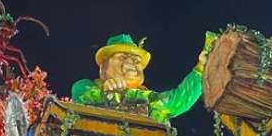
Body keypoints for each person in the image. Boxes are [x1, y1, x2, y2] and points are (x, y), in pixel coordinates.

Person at [70, 33, 210, 122]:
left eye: (136, 60)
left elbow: (179, 100)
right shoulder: (85, 86)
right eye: (123, 56)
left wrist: (201, 68)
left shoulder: (149, 98)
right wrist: (107, 96)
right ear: (104, 65)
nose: (132, 62)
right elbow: (85, 103)